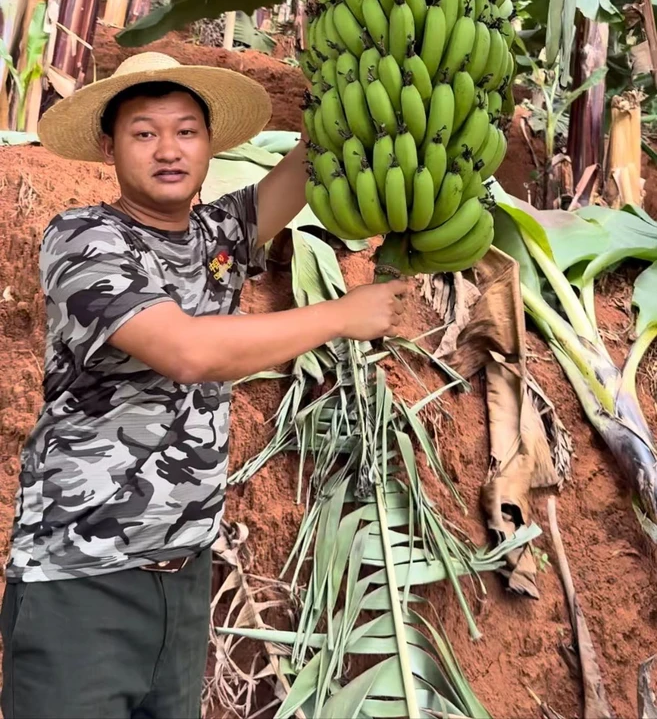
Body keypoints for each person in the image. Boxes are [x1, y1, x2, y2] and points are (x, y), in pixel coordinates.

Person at [0, 51, 410, 719]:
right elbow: (188, 352)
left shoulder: (218, 235)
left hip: (183, 580)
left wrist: (367, 71)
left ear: (209, 144)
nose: (168, 149)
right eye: (144, 132)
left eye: (186, 130)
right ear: (109, 147)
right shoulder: (84, 239)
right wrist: (341, 316)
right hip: (81, 579)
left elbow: (317, 158)